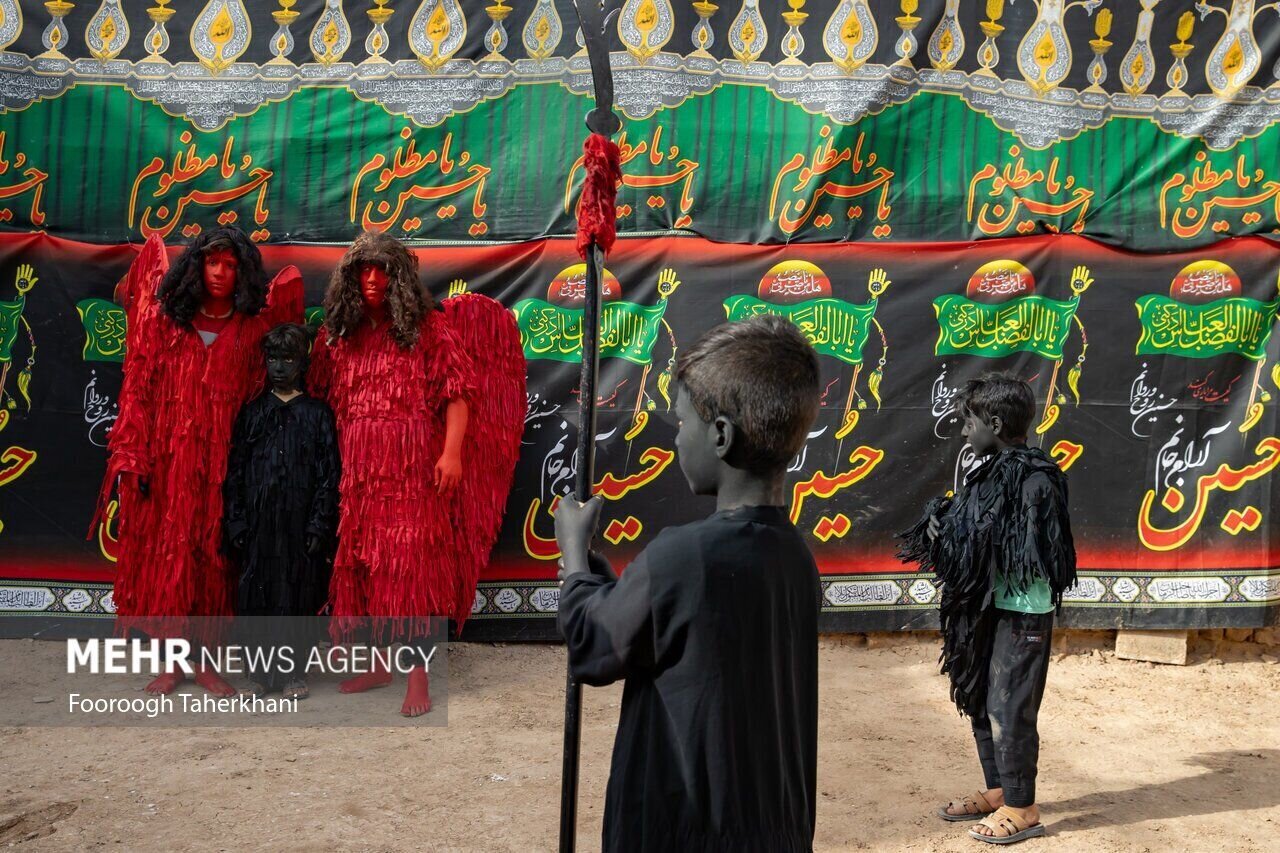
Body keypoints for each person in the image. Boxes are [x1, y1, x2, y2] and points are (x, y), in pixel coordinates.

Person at [555, 315, 822, 852]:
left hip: (681, 830)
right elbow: (667, 625)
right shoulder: (795, 556)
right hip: (772, 829)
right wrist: (605, 584)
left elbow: (594, 646)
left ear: (720, 435)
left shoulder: (683, 555)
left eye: (681, 422)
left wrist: (574, 558)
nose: (676, 436)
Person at [308, 232, 524, 717]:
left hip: (413, 478)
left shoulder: (428, 330)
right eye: (362, 270)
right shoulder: (337, 338)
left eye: (382, 269)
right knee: (365, 569)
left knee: (411, 573)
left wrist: (452, 454)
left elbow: (458, 393)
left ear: (400, 278)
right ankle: (379, 664)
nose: (372, 279)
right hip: (358, 478)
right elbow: (321, 402)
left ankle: (419, 676)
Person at [93, 229, 302, 697]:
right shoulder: (164, 324)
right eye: (212, 262)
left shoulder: (253, 332)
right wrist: (132, 456)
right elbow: (137, 393)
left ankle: (205, 662)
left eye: (230, 265)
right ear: (196, 267)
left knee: (214, 563)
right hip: (167, 466)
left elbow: (261, 403)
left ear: (243, 273)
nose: (220, 273)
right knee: (169, 560)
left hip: (223, 468)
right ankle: (172, 662)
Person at [899, 373, 1077, 845]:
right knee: (978, 694)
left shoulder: (1038, 479)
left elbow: (1019, 548)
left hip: (1022, 613)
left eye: (969, 422)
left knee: (1008, 705)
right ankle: (999, 791)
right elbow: (973, 531)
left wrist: (964, 536)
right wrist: (940, 525)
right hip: (984, 608)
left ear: (994, 424)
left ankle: (1023, 807)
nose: (963, 432)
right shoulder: (986, 474)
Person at [223, 323, 339, 700]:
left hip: (299, 525)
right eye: (272, 358)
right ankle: (258, 675)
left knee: (298, 595)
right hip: (258, 525)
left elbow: (329, 474)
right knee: (255, 597)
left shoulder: (318, 414)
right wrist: (236, 521)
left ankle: (293, 674)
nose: (278, 366)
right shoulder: (253, 412)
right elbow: (235, 471)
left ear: (303, 363)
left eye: (287, 359)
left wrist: (319, 524)